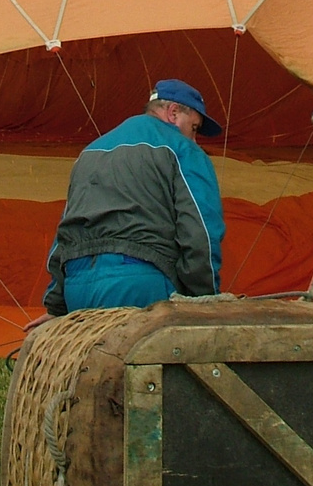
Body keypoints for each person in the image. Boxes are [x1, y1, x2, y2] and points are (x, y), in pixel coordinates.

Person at [44, 79, 225, 313]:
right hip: (142, 282)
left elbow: (66, 231)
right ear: (173, 113)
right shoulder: (182, 149)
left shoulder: (89, 153)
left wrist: (56, 307)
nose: (194, 139)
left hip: (77, 287)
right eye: (194, 128)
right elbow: (200, 230)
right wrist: (205, 297)